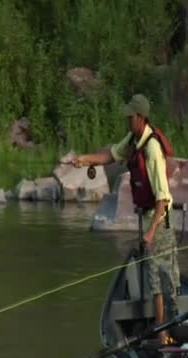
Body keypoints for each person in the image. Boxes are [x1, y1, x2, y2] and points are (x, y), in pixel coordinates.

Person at [73, 94, 180, 345]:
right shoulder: (133, 139)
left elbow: (163, 198)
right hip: (147, 217)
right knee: (153, 275)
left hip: (159, 219)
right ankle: (162, 329)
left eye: (130, 116)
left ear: (141, 117)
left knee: (159, 277)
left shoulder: (152, 148)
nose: (127, 120)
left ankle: (164, 333)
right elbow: (111, 155)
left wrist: (152, 230)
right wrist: (84, 159)